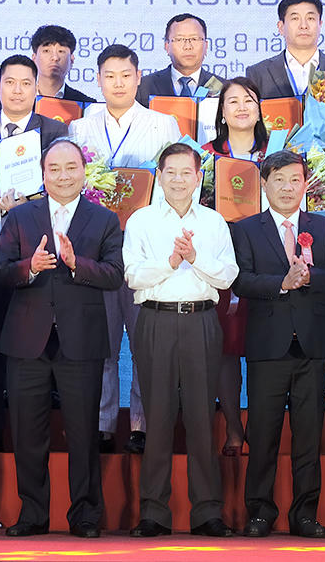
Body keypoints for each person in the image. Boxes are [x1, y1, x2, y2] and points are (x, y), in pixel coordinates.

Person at [0, 139, 124, 538]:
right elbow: (1, 272)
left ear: (84, 172)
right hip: (27, 341)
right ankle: (32, 514)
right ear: (42, 173)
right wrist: (30, 267)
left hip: (80, 341)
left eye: (71, 168)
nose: (63, 176)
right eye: (54, 169)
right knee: (28, 434)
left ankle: (85, 515)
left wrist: (75, 263)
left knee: (84, 434)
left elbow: (114, 275)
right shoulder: (20, 217)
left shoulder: (104, 219)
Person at [68, 44, 181, 453]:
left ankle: (141, 425)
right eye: (109, 76)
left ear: (138, 78)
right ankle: (101, 423)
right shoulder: (79, 128)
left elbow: (174, 184)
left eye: (125, 75)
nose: (118, 83)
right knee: (103, 343)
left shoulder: (163, 124)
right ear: (98, 80)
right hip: (96, 250)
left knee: (146, 343)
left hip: (146, 248)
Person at [122, 143, 238, 538]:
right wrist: (170, 262)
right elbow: (133, 275)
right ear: (159, 175)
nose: (178, 180)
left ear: (199, 177)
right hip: (155, 321)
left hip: (201, 321)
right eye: (170, 172)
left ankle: (208, 512)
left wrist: (194, 258)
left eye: (186, 172)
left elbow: (227, 275)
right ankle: (153, 513)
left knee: (202, 417)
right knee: (156, 417)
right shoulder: (141, 220)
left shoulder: (214, 222)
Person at [231, 149, 325, 539]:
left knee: (308, 437)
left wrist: (310, 278)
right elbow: (241, 281)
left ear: (305, 184)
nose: (287, 187)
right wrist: (281, 283)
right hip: (267, 347)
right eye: (278, 180)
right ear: (264, 184)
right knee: (262, 435)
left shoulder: (324, 227)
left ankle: (305, 515)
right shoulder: (247, 229)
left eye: (294, 179)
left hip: (312, 347)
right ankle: (260, 512)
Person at [0, 54, 68, 453]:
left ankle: (32, 431)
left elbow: (64, 185)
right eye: (10, 82)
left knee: (34, 341)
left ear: (37, 88)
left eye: (25, 83)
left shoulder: (54, 130)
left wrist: (30, 202)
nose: (17, 90)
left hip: (32, 251)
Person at [201, 76, 270, 453]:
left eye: (249, 100)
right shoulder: (205, 156)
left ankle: (260, 427)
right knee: (225, 349)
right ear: (222, 113)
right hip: (220, 261)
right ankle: (232, 426)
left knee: (264, 347)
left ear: (259, 110)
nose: (242, 107)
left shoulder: (279, 151)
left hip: (270, 263)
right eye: (233, 101)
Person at [245, 0, 325, 100]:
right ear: (281, 27)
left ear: (320, 25)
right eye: (295, 18)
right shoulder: (258, 73)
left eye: (310, 18)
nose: (303, 26)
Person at [136, 13, 221, 105]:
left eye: (194, 39)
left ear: (206, 46)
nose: (188, 46)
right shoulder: (143, 87)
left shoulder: (222, 87)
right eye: (179, 39)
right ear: (167, 46)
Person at [30, 24, 95, 103]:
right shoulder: (19, 100)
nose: (55, 57)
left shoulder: (86, 104)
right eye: (46, 51)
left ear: (71, 60)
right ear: (34, 58)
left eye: (61, 51)